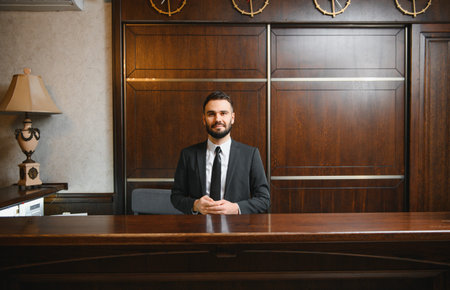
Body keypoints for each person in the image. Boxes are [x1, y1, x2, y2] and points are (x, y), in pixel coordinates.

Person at [171, 91, 270, 215]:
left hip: (237, 229)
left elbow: (264, 199)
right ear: (203, 119)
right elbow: (176, 197)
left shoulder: (250, 155)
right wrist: (195, 205)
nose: (218, 119)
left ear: (232, 118)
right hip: (199, 229)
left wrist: (236, 208)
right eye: (211, 114)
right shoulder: (188, 155)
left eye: (223, 113)